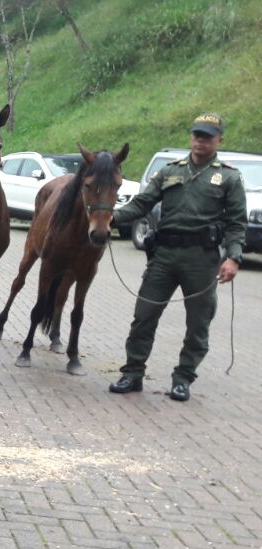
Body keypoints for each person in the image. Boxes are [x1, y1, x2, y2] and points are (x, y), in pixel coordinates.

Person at [108, 113, 246, 402]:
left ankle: (183, 378)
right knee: (144, 316)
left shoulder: (230, 177)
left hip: (201, 259)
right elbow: (143, 203)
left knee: (198, 324)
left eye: (207, 136)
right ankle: (133, 373)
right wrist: (110, 218)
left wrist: (233, 258)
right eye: (196, 135)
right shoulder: (170, 171)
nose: (200, 141)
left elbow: (236, 223)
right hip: (165, 256)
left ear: (219, 139)